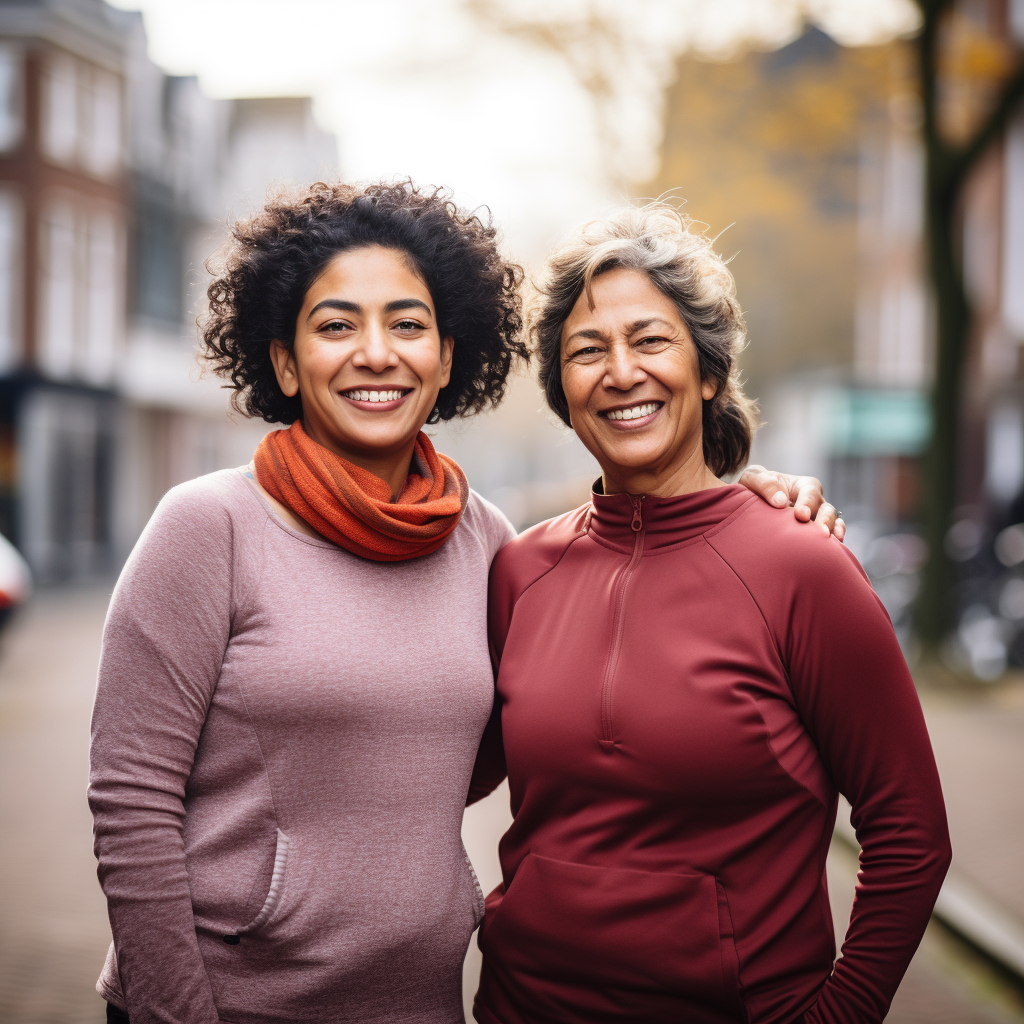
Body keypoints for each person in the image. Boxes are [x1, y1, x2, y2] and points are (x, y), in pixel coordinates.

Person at [89, 181, 838, 1024]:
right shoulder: (207, 527)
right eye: (336, 325)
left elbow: (503, 742)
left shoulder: (488, 545)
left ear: (447, 357)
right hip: (232, 1004)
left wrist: (749, 506)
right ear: (285, 362)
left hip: (423, 1002)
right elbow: (130, 804)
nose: (377, 352)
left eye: (407, 325)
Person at [470, 203, 951, 1024]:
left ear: (710, 372)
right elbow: (441, 766)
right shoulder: (520, 569)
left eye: (651, 340)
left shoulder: (802, 566)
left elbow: (910, 834)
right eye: (587, 351)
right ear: (564, 392)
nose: (621, 371)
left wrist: (842, 1014)